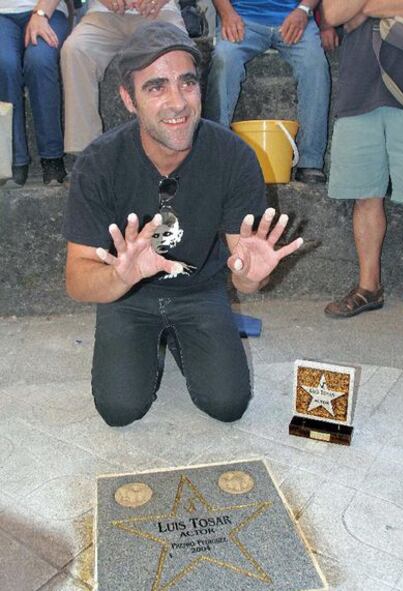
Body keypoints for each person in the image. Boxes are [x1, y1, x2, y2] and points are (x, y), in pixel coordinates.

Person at [62, 21, 303, 427]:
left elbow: (242, 273)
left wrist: (252, 277)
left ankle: (179, 335)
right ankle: (153, 337)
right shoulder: (99, 163)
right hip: (126, 297)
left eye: (187, 83)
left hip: (199, 290)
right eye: (156, 87)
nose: (177, 102)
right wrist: (121, 276)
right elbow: (76, 279)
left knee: (228, 406)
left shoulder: (233, 156)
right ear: (128, 98)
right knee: (120, 410)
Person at [322, 0, 403, 317]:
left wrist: (363, 10)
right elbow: (333, 14)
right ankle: (368, 287)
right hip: (358, 90)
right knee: (364, 195)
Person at [203, 0, 334, 184]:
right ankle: (213, 155)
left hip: (294, 17)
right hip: (242, 17)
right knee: (224, 60)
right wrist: (226, 12)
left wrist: (303, 10)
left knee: (315, 65)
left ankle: (310, 161)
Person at [60, 0, 185, 155]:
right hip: (102, 15)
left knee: (176, 53)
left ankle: (176, 143)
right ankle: (87, 155)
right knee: (75, 50)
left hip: (159, 12)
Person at [0, 0, 69, 186]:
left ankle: (52, 157)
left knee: (40, 61)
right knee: (4, 63)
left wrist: (40, 14)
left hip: (49, 11)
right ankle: (14, 159)